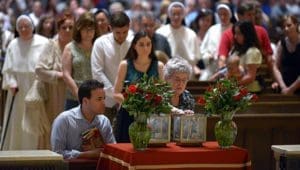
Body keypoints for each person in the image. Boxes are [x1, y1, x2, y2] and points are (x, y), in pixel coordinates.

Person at [1, 15, 48, 150]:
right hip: (18, 89)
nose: (24, 29)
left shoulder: (43, 42)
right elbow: (8, 71)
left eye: (26, 26)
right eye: (20, 27)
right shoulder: (13, 44)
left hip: (36, 87)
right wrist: (11, 83)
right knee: (17, 120)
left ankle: (35, 150)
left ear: (32, 27)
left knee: (34, 121)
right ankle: (15, 150)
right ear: (17, 29)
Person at [113, 31, 164, 142]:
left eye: (148, 44)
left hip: (151, 115)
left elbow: (162, 94)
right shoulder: (125, 65)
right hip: (128, 114)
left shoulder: (159, 66)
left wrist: (148, 105)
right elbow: (116, 94)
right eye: (141, 44)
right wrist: (134, 105)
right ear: (134, 46)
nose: (145, 48)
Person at [34, 11, 75, 149]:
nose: (68, 30)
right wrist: (60, 75)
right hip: (55, 95)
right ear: (58, 29)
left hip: (74, 94)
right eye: (64, 27)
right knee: (54, 126)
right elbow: (39, 70)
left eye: (71, 27)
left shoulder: (77, 46)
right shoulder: (52, 45)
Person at [51, 79, 116, 159]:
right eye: (99, 99)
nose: (103, 103)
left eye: (104, 99)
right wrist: (86, 155)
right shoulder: (64, 120)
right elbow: (57, 153)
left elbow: (113, 150)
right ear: (85, 101)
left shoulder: (104, 121)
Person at [91, 11, 132, 128]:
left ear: (129, 27)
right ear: (110, 28)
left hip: (129, 101)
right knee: (104, 139)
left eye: (125, 32)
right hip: (106, 101)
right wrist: (114, 93)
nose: (121, 36)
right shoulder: (100, 43)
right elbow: (97, 72)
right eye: (117, 32)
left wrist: (127, 95)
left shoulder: (134, 43)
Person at [218, 2, 273, 72]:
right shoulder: (227, 34)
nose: (252, 18)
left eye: (253, 14)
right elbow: (222, 58)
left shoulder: (261, 32)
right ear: (239, 16)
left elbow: (269, 58)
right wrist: (221, 73)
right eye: (249, 15)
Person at [62, 12, 97, 110]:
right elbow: (66, 75)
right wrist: (79, 94)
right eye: (85, 29)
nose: (88, 32)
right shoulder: (69, 47)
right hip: (74, 98)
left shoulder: (98, 47)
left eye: (91, 29)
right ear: (79, 29)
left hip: (95, 98)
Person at [156, 1, 200, 77]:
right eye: (174, 14)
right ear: (169, 15)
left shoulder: (191, 34)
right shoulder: (160, 32)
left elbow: (195, 57)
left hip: (187, 73)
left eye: (179, 14)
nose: (176, 17)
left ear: (183, 15)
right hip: (165, 73)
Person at [199, 3, 234, 81]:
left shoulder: (234, 29)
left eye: (225, 14)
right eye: (220, 14)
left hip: (229, 70)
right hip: (211, 69)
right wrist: (208, 57)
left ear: (230, 14)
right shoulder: (212, 29)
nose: (222, 17)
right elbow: (203, 50)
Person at [229, 21, 262, 92]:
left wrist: (231, 86)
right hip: (237, 90)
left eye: (239, 33)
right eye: (235, 33)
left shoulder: (252, 51)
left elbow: (250, 77)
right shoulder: (235, 50)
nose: (235, 36)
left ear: (247, 34)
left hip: (250, 92)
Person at [272, 15, 300, 95]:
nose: (286, 29)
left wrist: (291, 89)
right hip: (285, 85)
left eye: (289, 25)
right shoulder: (281, 43)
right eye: (283, 27)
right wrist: (283, 86)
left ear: (296, 25)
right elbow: (275, 67)